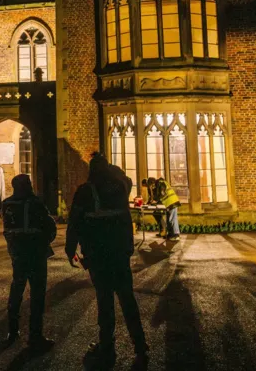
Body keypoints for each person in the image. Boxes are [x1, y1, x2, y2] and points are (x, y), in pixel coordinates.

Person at [66, 152, 148, 366]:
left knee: (105, 301)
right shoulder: (120, 189)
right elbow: (126, 184)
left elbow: (75, 222)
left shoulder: (85, 192)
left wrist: (70, 249)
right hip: (119, 253)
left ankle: (107, 346)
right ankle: (140, 344)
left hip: (98, 255)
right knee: (127, 299)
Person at [2, 174, 57, 351]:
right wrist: (45, 241)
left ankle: (12, 331)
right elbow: (50, 226)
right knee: (37, 294)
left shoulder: (7, 204)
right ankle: (35, 335)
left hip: (17, 254)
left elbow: (7, 227)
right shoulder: (36, 203)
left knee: (17, 289)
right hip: (35, 254)